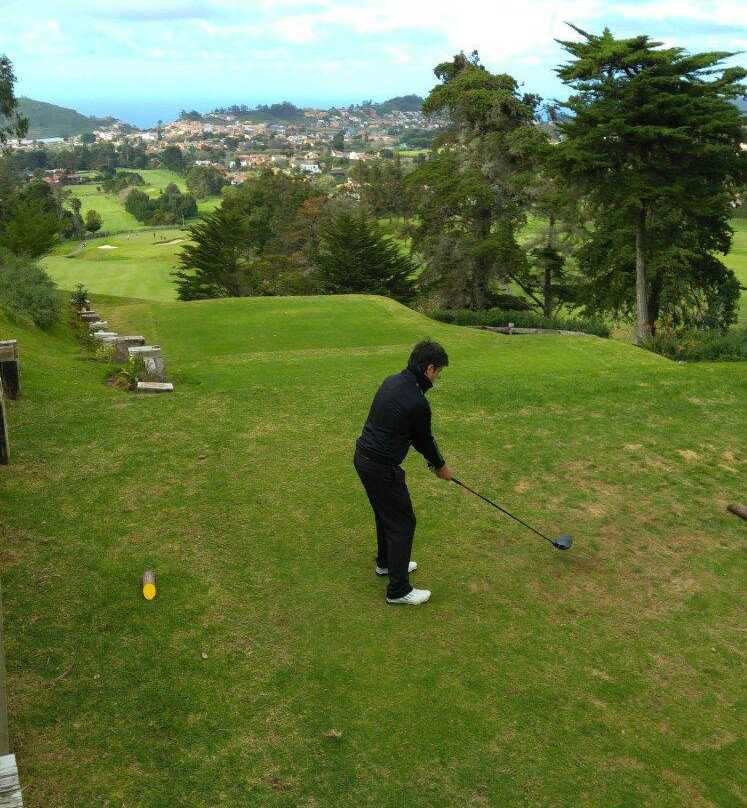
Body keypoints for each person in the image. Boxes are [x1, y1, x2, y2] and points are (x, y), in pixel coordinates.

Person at [354, 340, 452, 605]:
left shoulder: (392, 381)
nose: (437, 377)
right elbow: (424, 440)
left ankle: (386, 563)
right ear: (429, 369)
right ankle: (398, 590)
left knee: (386, 515)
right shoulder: (417, 402)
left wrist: (435, 463)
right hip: (380, 467)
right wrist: (440, 466)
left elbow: (415, 436)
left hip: (363, 458)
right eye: (438, 372)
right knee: (402, 522)